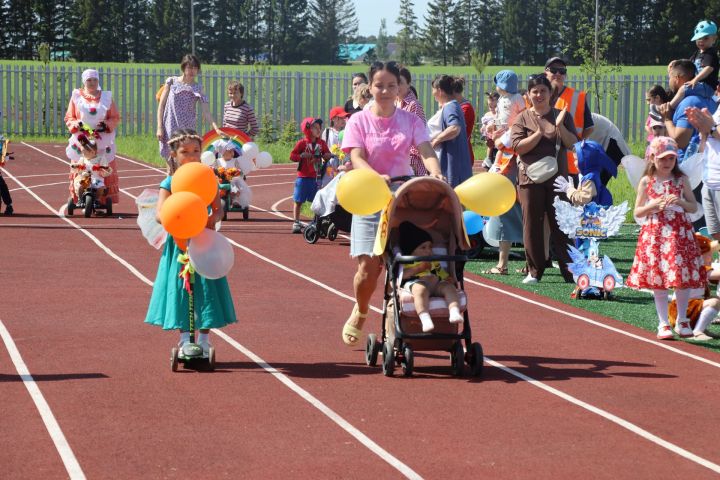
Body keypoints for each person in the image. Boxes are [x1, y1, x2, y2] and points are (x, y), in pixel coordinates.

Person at [340, 60, 444, 346]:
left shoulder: (410, 120)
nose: (385, 91)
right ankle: (361, 310)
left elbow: (425, 150)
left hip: (402, 198)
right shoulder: (358, 120)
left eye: (390, 85)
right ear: (369, 87)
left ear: (400, 88)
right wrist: (375, 177)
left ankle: (402, 318)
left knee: (412, 262)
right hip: (370, 196)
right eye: (379, 85)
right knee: (368, 269)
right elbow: (356, 157)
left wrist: (435, 172)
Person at [144, 128, 237, 354]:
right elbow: (159, 213)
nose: (192, 156)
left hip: (205, 243)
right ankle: (185, 339)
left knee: (207, 288)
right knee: (182, 289)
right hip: (180, 244)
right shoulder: (169, 182)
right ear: (174, 156)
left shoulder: (208, 179)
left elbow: (218, 211)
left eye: (197, 151)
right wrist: (178, 217)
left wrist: (208, 219)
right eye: (185, 152)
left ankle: (204, 340)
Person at [626, 136, 706, 340]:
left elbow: (693, 206)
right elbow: (638, 211)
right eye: (662, 159)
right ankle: (663, 322)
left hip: (679, 234)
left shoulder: (681, 179)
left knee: (681, 277)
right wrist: (654, 205)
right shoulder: (647, 181)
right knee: (659, 278)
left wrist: (678, 201)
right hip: (656, 235)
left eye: (670, 158)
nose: (667, 163)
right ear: (652, 158)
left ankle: (682, 320)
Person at [510, 74, 578, 284]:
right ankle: (534, 271)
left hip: (558, 179)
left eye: (543, 91)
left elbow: (573, 144)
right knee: (531, 224)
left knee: (562, 223)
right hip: (530, 178)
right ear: (528, 95)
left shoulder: (562, 115)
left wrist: (560, 127)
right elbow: (517, 147)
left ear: (550, 93)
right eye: (535, 91)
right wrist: (538, 134)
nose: (539, 95)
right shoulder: (522, 118)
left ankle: (571, 270)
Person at [156, 54, 221, 173]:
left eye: (195, 68)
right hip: (170, 128)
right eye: (189, 67)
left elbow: (206, 110)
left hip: (187, 132)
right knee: (171, 168)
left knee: (186, 166)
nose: (192, 71)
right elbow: (161, 106)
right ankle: (171, 190)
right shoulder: (171, 82)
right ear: (183, 68)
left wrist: (216, 128)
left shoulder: (198, 88)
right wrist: (159, 127)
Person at [64, 68, 121, 204]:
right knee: (82, 167)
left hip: (102, 139)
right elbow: (69, 117)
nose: (92, 83)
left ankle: (100, 199)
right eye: (89, 80)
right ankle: (80, 198)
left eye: (95, 80)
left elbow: (115, 117)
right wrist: (76, 124)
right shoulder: (76, 96)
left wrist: (106, 125)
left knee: (101, 167)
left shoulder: (106, 97)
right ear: (84, 81)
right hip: (81, 140)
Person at [399, 221, 464, 332]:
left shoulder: (433, 261)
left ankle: (454, 311)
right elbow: (402, 276)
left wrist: (446, 278)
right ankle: (424, 317)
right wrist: (418, 269)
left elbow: (440, 272)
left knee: (449, 288)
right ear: (411, 250)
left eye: (430, 247)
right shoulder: (407, 262)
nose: (428, 250)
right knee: (420, 290)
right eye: (423, 248)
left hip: (435, 284)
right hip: (416, 282)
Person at [657, 59, 716, 163]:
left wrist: (667, 119)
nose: (669, 81)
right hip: (706, 163)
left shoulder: (689, 103)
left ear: (677, 78)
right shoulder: (708, 99)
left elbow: (680, 142)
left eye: (670, 77)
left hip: (689, 166)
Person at [544, 57, 594, 178]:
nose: (558, 74)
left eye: (562, 71)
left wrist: (577, 144)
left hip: (570, 162)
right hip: (544, 159)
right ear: (546, 71)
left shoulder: (578, 97)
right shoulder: (538, 95)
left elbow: (589, 127)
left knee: (569, 195)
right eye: (554, 70)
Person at [658, 21, 719, 115]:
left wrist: (695, 79)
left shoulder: (710, 53)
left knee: (683, 89)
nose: (701, 41)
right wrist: (676, 63)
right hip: (700, 85)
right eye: (698, 38)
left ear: (714, 39)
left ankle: (669, 109)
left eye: (705, 38)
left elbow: (708, 68)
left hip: (707, 87)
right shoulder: (697, 53)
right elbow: (687, 64)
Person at [667, 233, 720, 341]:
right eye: (708, 255)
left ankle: (700, 327)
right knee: (714, 302)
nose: (711, 258)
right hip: (683, 310)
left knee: (716, 300)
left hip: (690, 307)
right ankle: (698, 331)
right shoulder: (697, 268)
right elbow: (716, 274)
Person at [289, 117, 331, 233]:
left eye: (320, 128)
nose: (319, 130)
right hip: (302, 177)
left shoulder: (321, 143)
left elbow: (327, 153)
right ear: (308, 129)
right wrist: (301, 156)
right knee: (298, 200)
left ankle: (315, 221)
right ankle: (296, 222)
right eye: (315, 128)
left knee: (317, 201)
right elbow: (292, 156)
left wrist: (327, 155)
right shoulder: (302, 143)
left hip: (316, 177)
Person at [429, 74, 472, 188]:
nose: (432, 92)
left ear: (439, 90)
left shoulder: (450, 106)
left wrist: (436, 141)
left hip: (452, 166)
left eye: (433, 89)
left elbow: (454, 128)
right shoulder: (451, 106)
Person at [687, 105, 720, 241]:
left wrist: (711, 128)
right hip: (709, 181)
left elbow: (714, 130)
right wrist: (703, 131)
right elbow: (706, 146)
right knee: (715, 232)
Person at [397, 66, 428, 176]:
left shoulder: (413, 105)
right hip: (398, 161)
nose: (396, 86)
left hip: (412, 163)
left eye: (400, 82)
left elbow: (419, 137)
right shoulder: (395, 103)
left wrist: (412, 162)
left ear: (409, 83)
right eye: (394, 82)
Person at [69, 135, 112, 202]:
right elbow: (78, 165)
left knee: (101, 188)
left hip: (96, 179)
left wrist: (105, 168)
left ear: (92, 152)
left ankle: (97, 200)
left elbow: (105, 167)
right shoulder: (83, 159)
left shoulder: (100, 159)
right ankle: (80, 199)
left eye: (84, 153)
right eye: (82, 153)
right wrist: (75, 166)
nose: (83, 154)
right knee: (81, 186)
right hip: (85, 178)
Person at [212, 139, 252, 209]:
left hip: (234, 180)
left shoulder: (235, 161)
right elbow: (215, 170)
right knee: (217, 188)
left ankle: (235, 201)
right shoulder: (218, 161)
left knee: (236, 186)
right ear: (223, 152)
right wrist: (217, 172)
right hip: (222, 181)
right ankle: (218, 202)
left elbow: (239, 169)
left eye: (232, 151)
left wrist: (238, 171)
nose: (232, 153)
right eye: (229, 151)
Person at [492, 70, 525, 153]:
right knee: (502, 150)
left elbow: (523, 113)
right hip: (502, 129)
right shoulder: (501, 98)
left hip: (513, 130)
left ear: (502, 86)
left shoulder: (517, 97)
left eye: (497, 84)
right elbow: (499, 114)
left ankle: (502, 163)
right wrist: (493, 123)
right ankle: (497, 163)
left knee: (510, 149)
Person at [453, 76, 476, 168]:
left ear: (453, 92)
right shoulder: (454, 106)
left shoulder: (466, 108)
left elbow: (454, 130)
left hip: (462, 155)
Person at [480, 92, 500, 170]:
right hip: (490, 139)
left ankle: (491, 161)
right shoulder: (487, 115)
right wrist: (483, 128)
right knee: (490, 146)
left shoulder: (500, 115)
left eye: (495, 106)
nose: (492, 109)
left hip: (499, 142)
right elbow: (484, 126)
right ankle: (488, 158)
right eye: (490, 106)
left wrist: (493, 125)